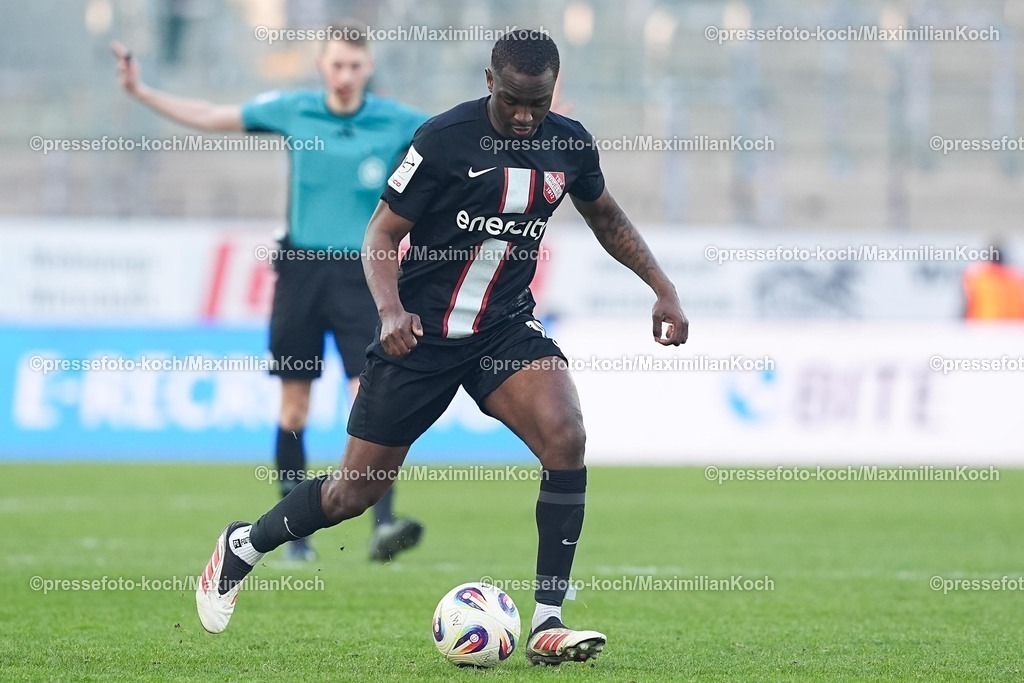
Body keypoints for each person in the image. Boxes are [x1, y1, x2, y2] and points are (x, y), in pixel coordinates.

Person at [196, 29, 688, 666]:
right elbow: (379, 235)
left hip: (503, 330)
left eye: (536, 104)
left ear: (553, 92)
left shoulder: (570, 144)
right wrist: (390, 310)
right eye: (512, 99)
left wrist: (662, 287)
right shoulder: (443, 140)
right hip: (420, 336)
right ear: (490, 81)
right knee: (353, 494)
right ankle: (242, 545)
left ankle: (547, 621)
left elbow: (606, 217)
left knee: (565, 436)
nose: (522, 115)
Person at [111, 20, 426, 563]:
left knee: (369, 400)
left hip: (363, 277)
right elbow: (213, 116)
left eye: (355, 65)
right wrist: (141, 91)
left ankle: (384, 521)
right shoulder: (294, 110)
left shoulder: (397, 121)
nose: (346, 74)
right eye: (337, 64)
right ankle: (294, 534)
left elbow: (459, 137)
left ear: (368, 67)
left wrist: (539, 114)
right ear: (322, 66)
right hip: (301, 274)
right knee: (294, 407)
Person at [962, 242, 1024, 320]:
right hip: (1014, 326)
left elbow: (967, 305)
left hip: (984, 325)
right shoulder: (1017, 278)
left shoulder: (977, 278)